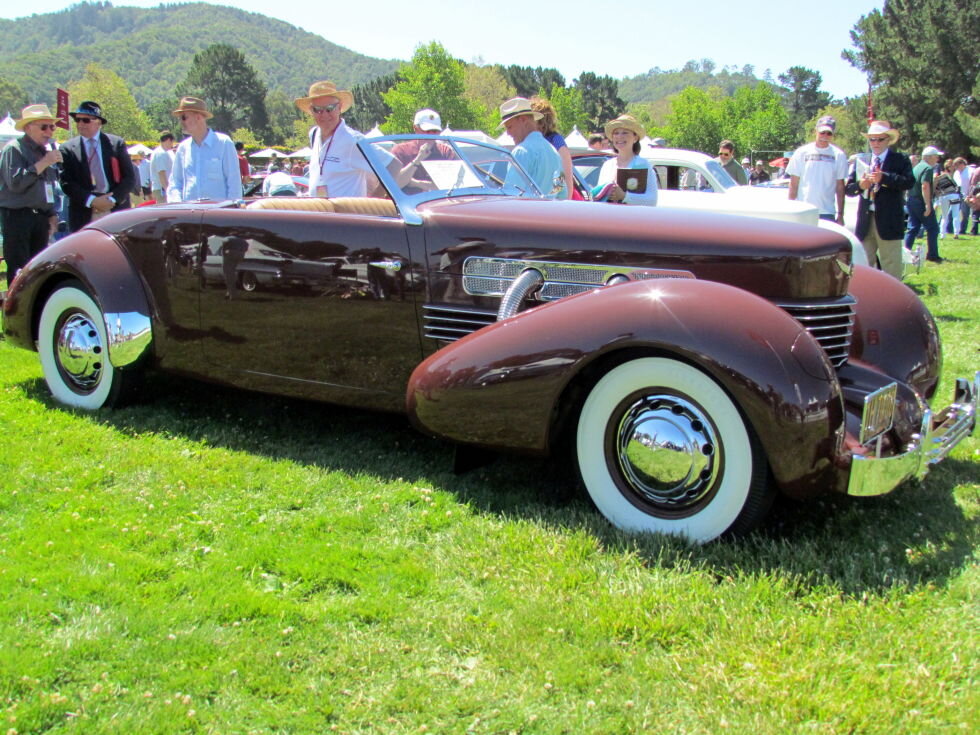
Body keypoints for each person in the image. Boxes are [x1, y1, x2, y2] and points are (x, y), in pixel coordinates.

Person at [295, 80, 406, 198]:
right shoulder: (314, 134)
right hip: (320, 208)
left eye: (330, 108)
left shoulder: (352, 140)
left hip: (346, 210)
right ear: (311, 111)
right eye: (318, 109)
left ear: (339, 107)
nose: (324, 114)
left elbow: (393, 165)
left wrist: (373, 202)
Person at [0, 104, 62, 287]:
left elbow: (48, 186)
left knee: (39, 270)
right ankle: (16, 304)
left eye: (52, 127)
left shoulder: (44, 152)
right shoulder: (14, 149)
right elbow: (16, 183)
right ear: (28, 127)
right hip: (18, 217)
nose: (49, 132)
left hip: (40, 218)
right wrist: (43, 163)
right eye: (44, 127)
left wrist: (51, 213)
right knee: (19, 270)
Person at [845, 120, 914, 278]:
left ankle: (893, 293)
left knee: (891, 263)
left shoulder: (900, 160)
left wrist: (884, 178)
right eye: (872, 139)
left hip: (889, 219)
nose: (875, 143)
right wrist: (860, 185)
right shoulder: (862, 160)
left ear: (888, 140)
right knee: (863, 263)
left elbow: (909, 182)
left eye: (880, 139)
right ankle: (865, 292)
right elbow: (849, 189)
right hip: (866, 219)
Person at [59, 100, 135, 232]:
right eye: (77, 120)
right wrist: (92, 200)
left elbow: (129, 178)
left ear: (99, 123)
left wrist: (112, 200)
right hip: (83, 212)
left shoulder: (116, 144)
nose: (80, 124)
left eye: (86, 120)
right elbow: (66, 183)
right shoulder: (67, 148)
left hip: (115, 209)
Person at [167, 97, 242, 203]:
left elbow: (234, 184)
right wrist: (177, 206)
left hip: (217, 212)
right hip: (188, 211)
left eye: (184, 117)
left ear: (198, 117)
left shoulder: (224, 143)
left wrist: (231, 209)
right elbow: (175, 183)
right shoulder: (183, 148)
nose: (181, 122)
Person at [498, 97, 567, 199]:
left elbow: (510, 196)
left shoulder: (521, 152)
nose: (507, 133)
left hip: (526, 209)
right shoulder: (554, 153)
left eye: (509, 127)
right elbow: (562, 193)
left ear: (523, 120)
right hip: (549, 209)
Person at [786, 115, 848, 223]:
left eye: (829, 133)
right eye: (822, 132)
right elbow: (793, 184)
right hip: (804, 210)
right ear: (816, 131)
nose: (825, 136)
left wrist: (840, 214)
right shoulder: (801, 152)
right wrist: (790, 212)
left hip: (827, 212)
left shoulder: (839, 155)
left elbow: (840, 187)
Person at [593, 114, 657, 206]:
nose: (620, 136)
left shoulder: (643, 164)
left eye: (625, 133)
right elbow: (599, 199)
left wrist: (624, 196)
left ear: (635, 138)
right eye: (616, 133)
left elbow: (652, 201)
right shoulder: (607, 166)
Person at [389, 108, 454, 193]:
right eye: (427, 131)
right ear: (416, 128)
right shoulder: (400, 151)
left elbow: (452, 185)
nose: (431, 135)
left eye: (435, 131)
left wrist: (416, 183)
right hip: (408, 200)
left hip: (438, 200)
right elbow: (395, 184)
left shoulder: (445, 152)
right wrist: (418, 159)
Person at [531, 97, 574, 201]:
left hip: (550, 204)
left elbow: (563, 182)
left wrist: (549, 198)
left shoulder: (556, 142)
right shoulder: (530, 143)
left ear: (541, 121)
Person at [904, 146, 941, 261]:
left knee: (913, 227)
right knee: (933, 228)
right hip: (920, 201)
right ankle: (932, 255)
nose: (937, 159)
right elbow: (924, 186)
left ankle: (904, 251)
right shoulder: (928, 169)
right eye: (936, 157)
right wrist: (927, 205)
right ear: (929, 157)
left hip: (911, 200)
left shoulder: (917, 167)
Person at [934, 158, 962, 240]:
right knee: (955, 214)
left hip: (944, 196)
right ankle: (956, 233)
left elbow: (936, 186)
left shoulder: (940, 176)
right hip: (954, 195)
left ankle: (942, 234)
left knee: (944, 216)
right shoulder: (955, 175)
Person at [150, 132, 175, 202]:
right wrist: (168, 191)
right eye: (172, 142)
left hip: (161, 188)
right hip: (162, 189)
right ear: (168, 140)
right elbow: (162, 174)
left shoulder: (162, 152)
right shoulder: (161, 153)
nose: (172, 145)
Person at [954, 157, 971, 235]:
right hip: (956, 194)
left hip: (966, 194)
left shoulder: (970, 171)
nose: (956, 168)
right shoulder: (956, 172)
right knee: (953, 212)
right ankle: (950, 228)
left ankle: (962, 229)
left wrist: (969, 194)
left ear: (962, 164)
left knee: (965, 213)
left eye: (957, 165)